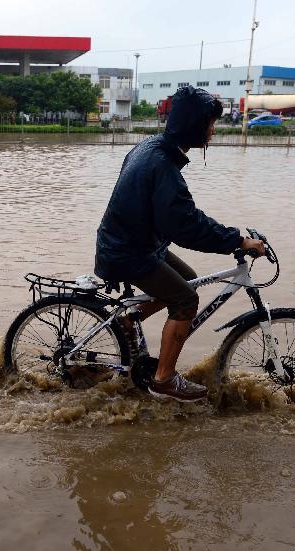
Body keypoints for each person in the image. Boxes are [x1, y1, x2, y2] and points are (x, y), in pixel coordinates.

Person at [94, 86, 265, 403]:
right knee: (186, 299)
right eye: (210, 124)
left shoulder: (153, 148)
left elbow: (179, 217)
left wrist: (230, 237)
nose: (213, 131)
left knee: (187, 280)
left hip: (133, 243)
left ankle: (128, 321)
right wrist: (238, 240)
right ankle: (164, 380)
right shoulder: (162, 164)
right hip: (128, 251)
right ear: (194, 125)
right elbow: (186, 225)